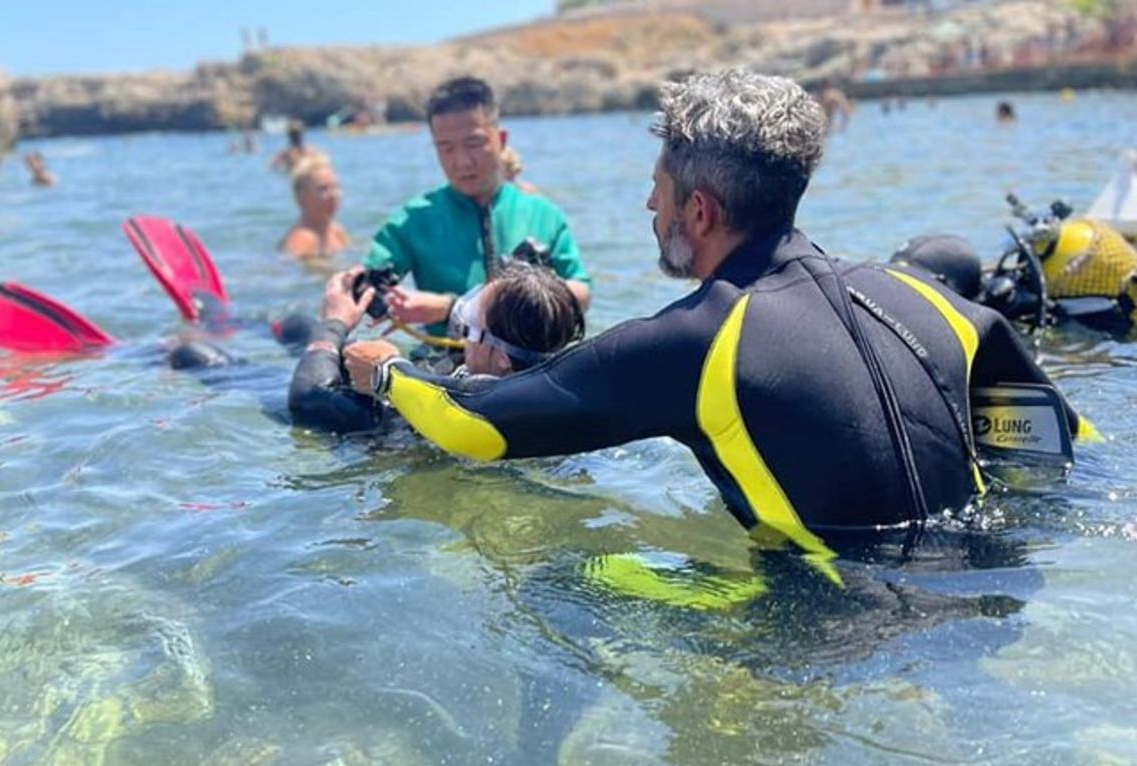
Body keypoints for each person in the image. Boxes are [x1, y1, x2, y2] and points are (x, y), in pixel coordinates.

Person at [345, 69, 1090, 556]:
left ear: (697, 211)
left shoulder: (696, 341)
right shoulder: (935, 301)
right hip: (995, 591)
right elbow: (1069, 440)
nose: (647, 204)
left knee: (558, 572)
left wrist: (388, 373)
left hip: (829, 627)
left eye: (657, 187)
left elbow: (474, 426)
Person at [356, 76, 591, 337]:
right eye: (446, 148)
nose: (462, 161)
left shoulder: (543, 215)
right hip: (448, 362)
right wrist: (366, 293)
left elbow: (582, 293)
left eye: (474, 144)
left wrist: (452, 308)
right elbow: (365, 286)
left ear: (501, 140)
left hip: (529, 365)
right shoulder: (413, 221)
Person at [289, 261, 584, 434]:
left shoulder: (445, 412)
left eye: (469, 321)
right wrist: (444, 308)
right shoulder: (563, 402)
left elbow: (307, 398)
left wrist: (334, 323)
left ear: (504, 360)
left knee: (302, 329)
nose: (462, 332)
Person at [278, 154, 350, 260]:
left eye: (335, 187)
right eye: (323, 189)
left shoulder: (337, 232)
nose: (333, 195)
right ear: (302, 197)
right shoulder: (301, 240)